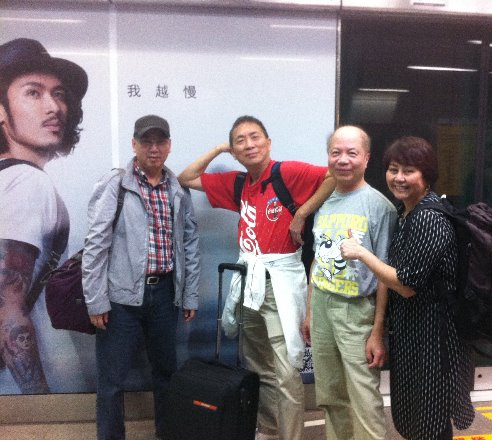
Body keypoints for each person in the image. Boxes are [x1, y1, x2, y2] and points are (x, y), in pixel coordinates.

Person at [178, 115, 334, 440]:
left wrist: (302, 212)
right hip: (249, 283)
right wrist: (220, 148)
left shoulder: (287, 173)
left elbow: (333, 176)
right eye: (240, 141)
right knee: (256, 364)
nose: (249, 145)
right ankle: (269, 428)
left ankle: (291, 436)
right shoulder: (238, 183)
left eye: (255, 137)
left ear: (268, 142)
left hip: (280, 285)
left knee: (287, 370)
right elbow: (187, 177)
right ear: (234, 152)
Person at [339, 136, 475, 440]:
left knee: (430, 417)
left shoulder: (428, 218)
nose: (398, 178)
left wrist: (362, 253)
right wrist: (380, 330)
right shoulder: (407, 212)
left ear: (426, 176)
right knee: (415, 413)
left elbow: (406, 284)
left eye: (409, 171)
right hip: (413, 332)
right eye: (393, 169)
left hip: (434, 336)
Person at [82, 115, 201, 440]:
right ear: (134, 144)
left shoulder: (178, 188)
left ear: (169, 145)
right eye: (146, 141)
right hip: (120, 299)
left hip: (165, 295)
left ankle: (166, 432)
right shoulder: (116, 185)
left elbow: (189, 242)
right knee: (112, 381)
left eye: (160, 141)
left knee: (166, 372)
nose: (154, 148)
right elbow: (95, 244)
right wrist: (96, 300)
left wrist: (189, 294)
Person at [0, 38, 87, 394]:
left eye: (59, 94)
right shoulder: (27, 182)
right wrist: (38, 399)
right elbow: (7, 304)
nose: (53, 107)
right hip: (33, 377)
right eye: (33, 93)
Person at [301, 125, 396, 440]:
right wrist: (310, 311)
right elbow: (318, 258)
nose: (343, 160)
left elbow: (385, 275)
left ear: (366, 158)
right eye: (336, 152)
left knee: (363, 396)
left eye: (352, 153)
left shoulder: (379, 207)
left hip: (357, 311)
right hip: (322, 305)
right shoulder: (324, 200)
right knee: (330, 394)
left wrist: (377, 331)